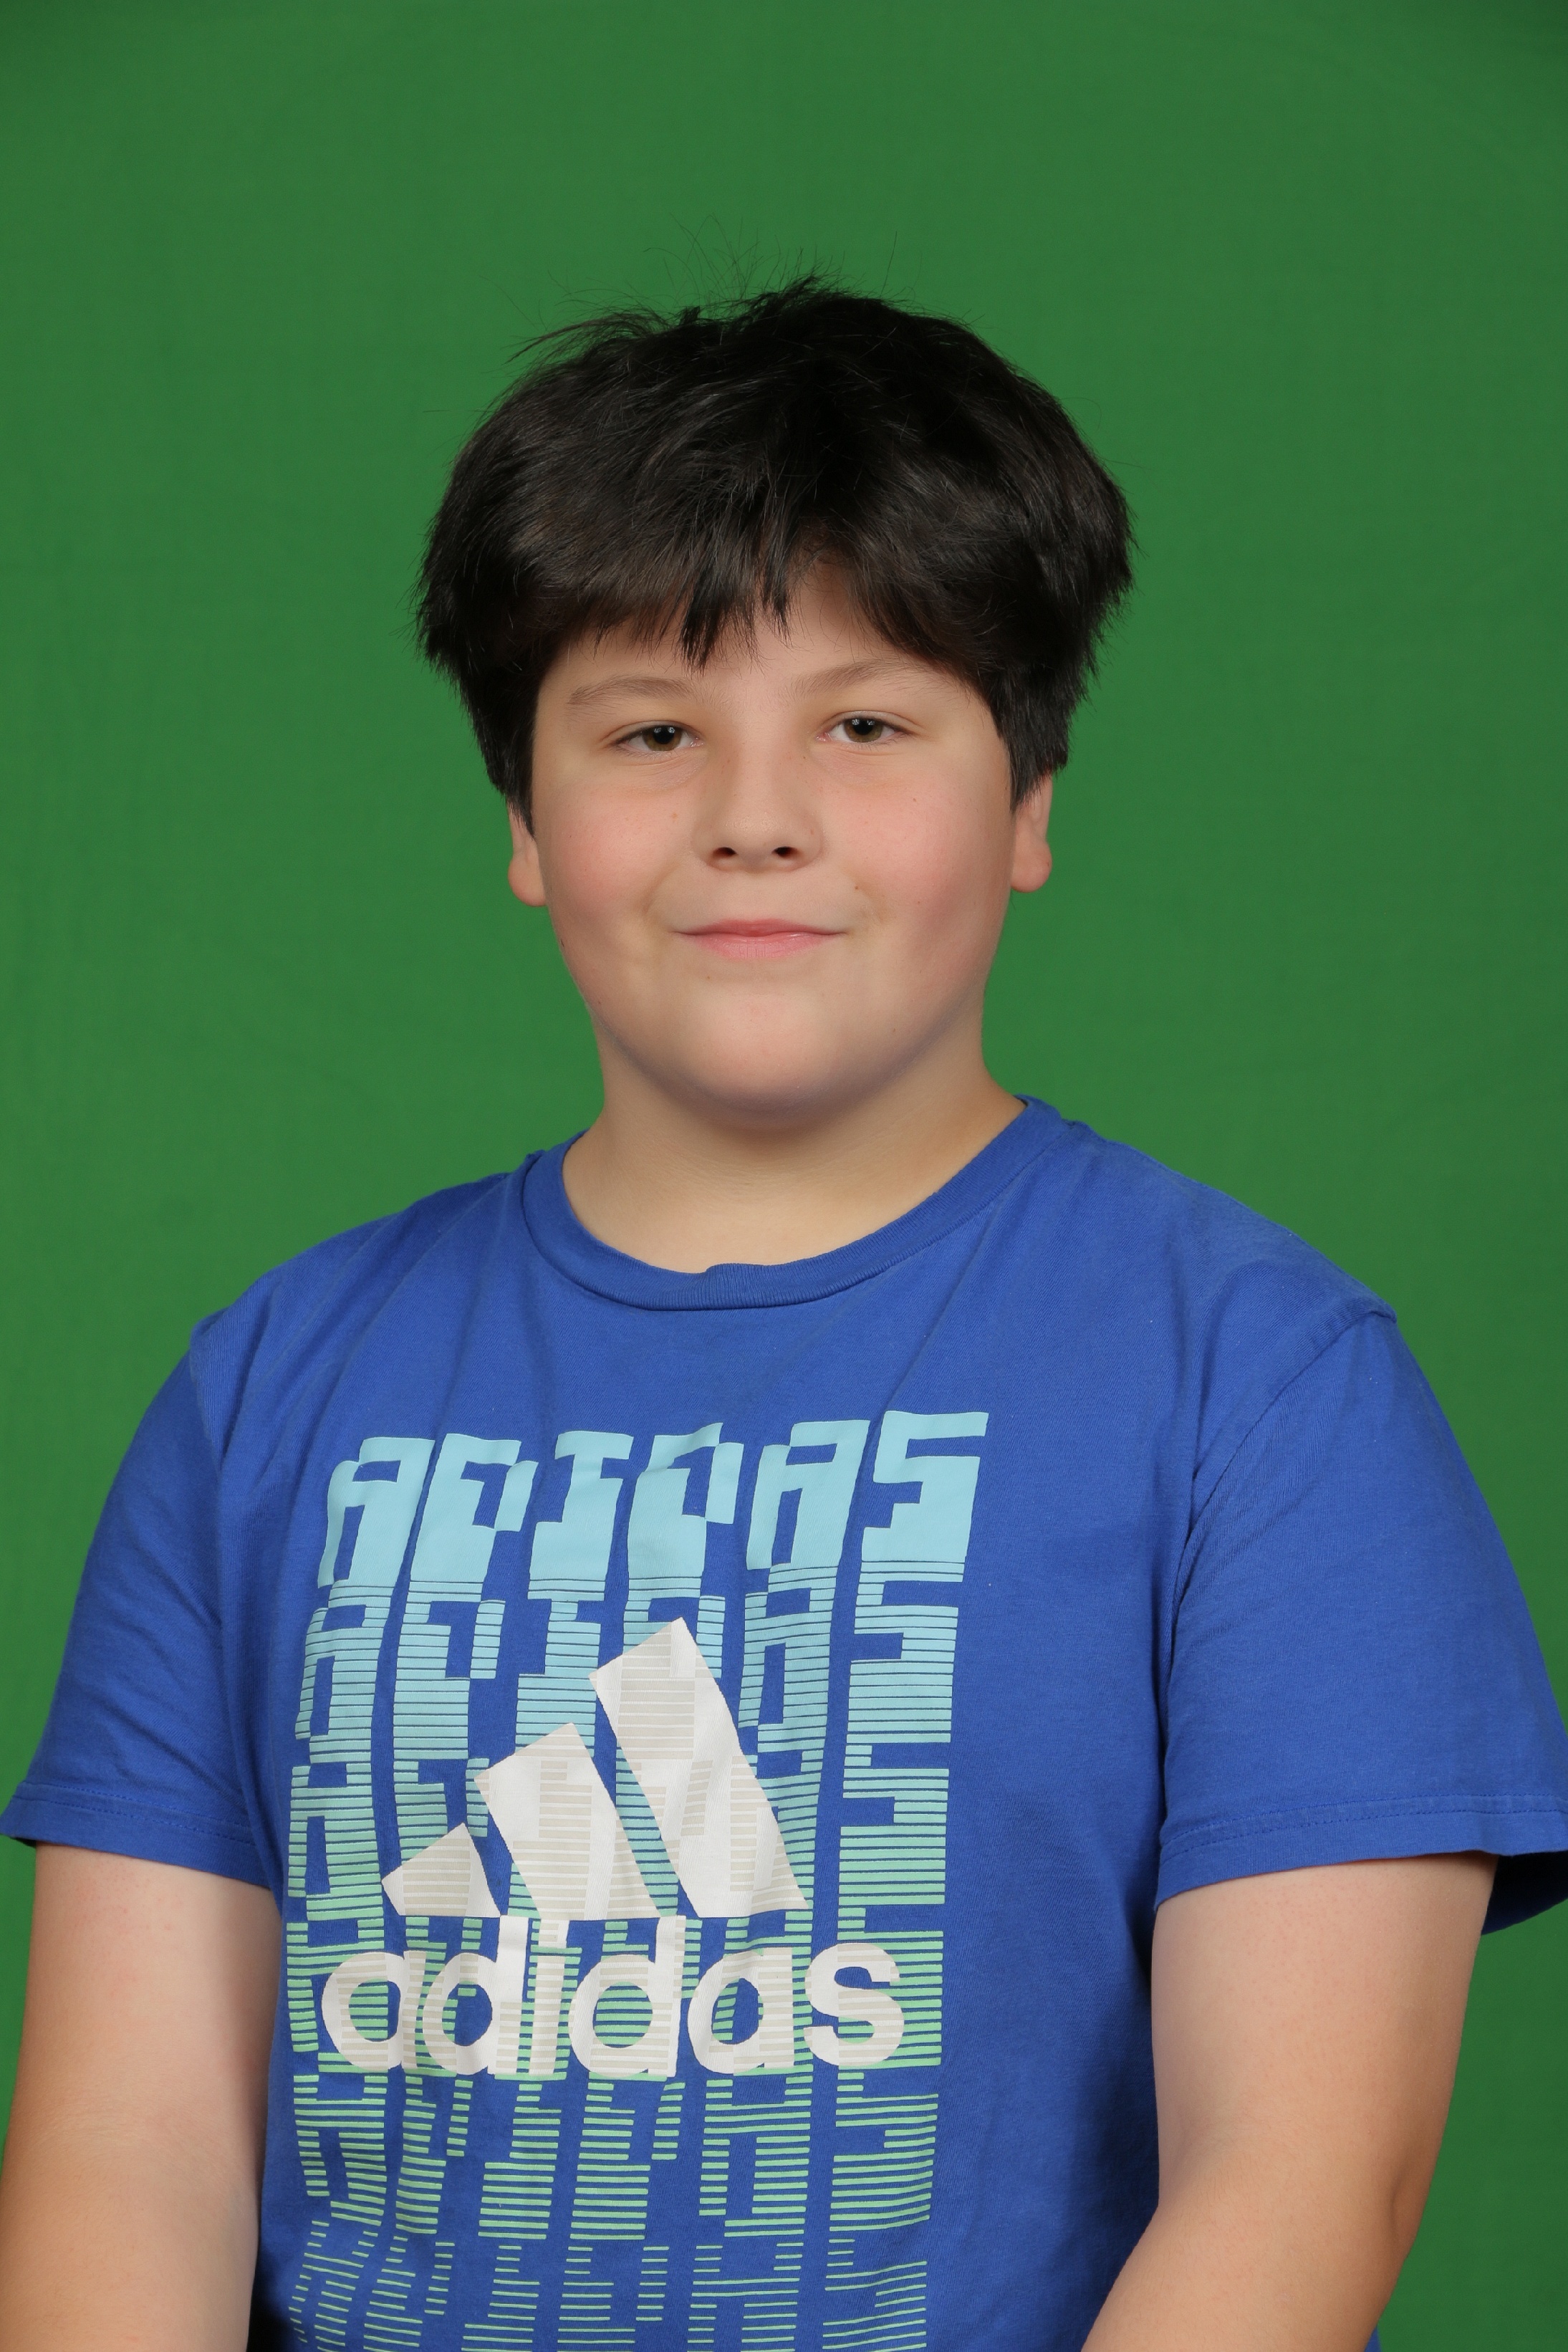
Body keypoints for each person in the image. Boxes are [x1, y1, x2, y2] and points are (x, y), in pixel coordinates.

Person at [0, 279, 1564, 2352]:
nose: (757, 814)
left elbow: (1296, 2189)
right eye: (653, 730)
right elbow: (129, 2161)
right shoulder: (269, 1390)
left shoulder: (1268, 1394)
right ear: (524, 818)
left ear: (1027, 802)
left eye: (867, 723)